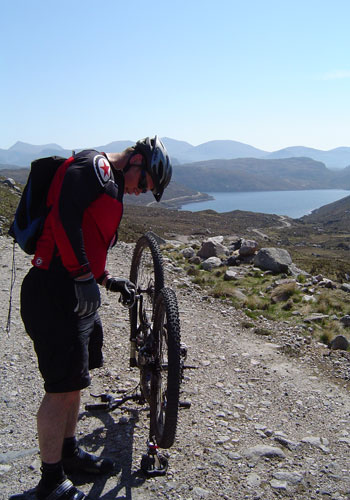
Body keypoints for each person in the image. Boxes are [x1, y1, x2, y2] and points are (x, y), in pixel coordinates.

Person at [14, 136, 172, 500]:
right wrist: (84, 277)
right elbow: (65, 221)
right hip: (54, 288)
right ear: (135, 160)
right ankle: (51, 482)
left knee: (74, 381)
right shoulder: (92, 168)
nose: (142, 191)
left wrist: (104, 278)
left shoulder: (111, 184)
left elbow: (86, 237)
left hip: (73, 287)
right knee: (59, 390)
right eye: (145, 182)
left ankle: (68, 455)